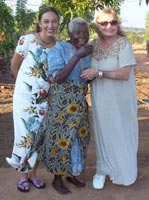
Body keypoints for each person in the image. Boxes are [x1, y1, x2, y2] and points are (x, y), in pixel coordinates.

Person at [81, 8, 139, 189]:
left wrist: (98, 72)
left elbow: (124, 74)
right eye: (104, 23)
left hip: (120, 99)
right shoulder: (94, 44)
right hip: (101, 98)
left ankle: (124, 171)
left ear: (118, 24)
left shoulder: (124, 44)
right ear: (97, 25)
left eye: (113, 22)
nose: (109, 26)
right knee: (103, 133)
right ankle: (103, 169)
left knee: (121, 133)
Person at [35, 17, 93, 194]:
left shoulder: (89, 51)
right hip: (61, 102)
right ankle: (57, 179)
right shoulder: (58, 49)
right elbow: (58, 78)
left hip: (80, 102)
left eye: (85, 32)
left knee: (79, 138)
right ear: (69, 33)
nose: (82, 36)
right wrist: (76, 56)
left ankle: (72, 173)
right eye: (78, 32)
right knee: (60, 140)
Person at [5, 6, 60, 192]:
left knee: (39, 137)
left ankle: (33, 174)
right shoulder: (27, 40)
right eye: (46, 21)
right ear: (39, 23)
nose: (50, 25)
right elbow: (15, 67)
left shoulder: (58, 45)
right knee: (24, 136)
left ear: (58, 23)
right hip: (25, 100)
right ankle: (23, 176)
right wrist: (26, 87)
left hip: (46, 100)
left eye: (54, 21)